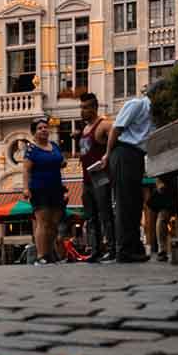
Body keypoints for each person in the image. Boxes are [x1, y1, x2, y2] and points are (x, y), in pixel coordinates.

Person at [100, 85, 158, 263]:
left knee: (135, 203)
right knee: (125, 202)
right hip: (123, 152)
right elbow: (116, 130)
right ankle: (124, 250)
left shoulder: (155, 114)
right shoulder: (137, 104)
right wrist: (108, 155)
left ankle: (134, 247)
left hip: (137, 156)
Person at [77, 92, 116, 263]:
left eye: (85, 108)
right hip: (86, 179)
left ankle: (113, 248)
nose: (82, 111)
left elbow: (115, 129)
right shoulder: (84, 129)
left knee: (105, 213)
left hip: (100, 176)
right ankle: (95, 250)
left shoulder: (103, 124)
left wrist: (107, 154)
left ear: (94, 108)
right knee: (90, 217)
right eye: (81, 107)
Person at [23, 117, 67, 266]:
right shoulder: (31, 149)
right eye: (40, 128)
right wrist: (26, 188)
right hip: (39, 188)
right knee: (42, 222)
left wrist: (62, 162)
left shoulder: (54, 146)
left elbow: (61, 161)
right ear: (34, 132)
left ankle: (49, 253)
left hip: (56, 187)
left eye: (45, 127)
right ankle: (41, 255)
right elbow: (26, 170)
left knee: (54, 223)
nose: (44, 130)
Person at [147, 178, 176, 262]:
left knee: (163, 215)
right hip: (167, 186)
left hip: (171, 186)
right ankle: (162, 250)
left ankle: (162, 250)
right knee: (163, 215)